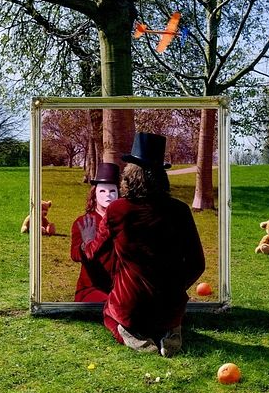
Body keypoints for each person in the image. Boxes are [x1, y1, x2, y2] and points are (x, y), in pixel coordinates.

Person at [79, 132, 205, 357]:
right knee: (167, 315)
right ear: (161, 175)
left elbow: (94, 252)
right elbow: (197, 264)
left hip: (131, 305)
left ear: (129, 174)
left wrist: (86, 241)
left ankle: (131, 334)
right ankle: (170, 332)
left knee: (109, 312)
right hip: (170, 307)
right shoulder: (180, 210)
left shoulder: (117, 210)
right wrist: (174, 288)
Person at [70, 163, 120, 302]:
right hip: (91, 288)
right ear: (94, 194)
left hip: (120, 287)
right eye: (102, 191)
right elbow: (74, 255)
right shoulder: (83, 221)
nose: (108, 195)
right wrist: (85, 245)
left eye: (112, 191)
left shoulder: (125, 221)